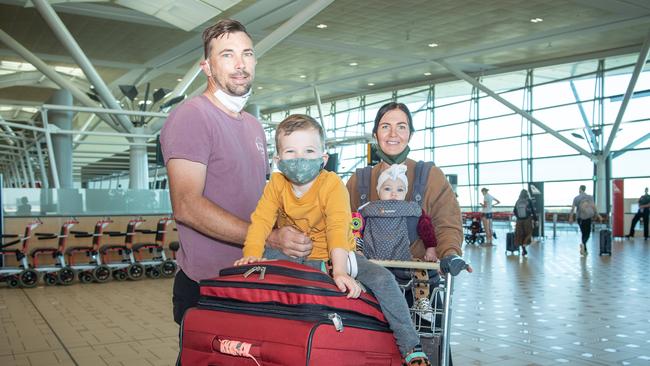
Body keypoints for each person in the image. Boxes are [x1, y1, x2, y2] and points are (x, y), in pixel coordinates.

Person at [237, 114, 432, 366]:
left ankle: (410, 345)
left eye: (309, 150)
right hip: (297, 255)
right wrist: (252, 252)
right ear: (278, 160)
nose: (300, 159)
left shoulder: (331, 184)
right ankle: (316, 272)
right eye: (291, 151)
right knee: (264, 261)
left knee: (383, 279)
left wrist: (340, 270)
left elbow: (338, 228)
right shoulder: (275, 184)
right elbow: (262, 219)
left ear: (323, 158)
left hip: (340, 255)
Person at [160, 19, 313, 330]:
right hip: (209, 286)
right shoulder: (192, 116)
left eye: (247, 54)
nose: (240, 64)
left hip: (251, 277)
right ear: (206, 66)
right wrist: (270, 237)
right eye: (227, 55)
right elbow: (187, 206)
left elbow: (257, 201)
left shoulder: (253, 125)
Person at [345, 102, 470, 275]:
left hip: (420, 280)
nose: (393, 134)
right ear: (375, 134)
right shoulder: (358, 181)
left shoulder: (431, 177)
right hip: (368, 279)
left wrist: (450, 253)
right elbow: (343, 224)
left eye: (401, 127)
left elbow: (447, 223)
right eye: (385, 127)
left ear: (410, 134)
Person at [357, 163, 438, 322]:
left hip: (402, 258)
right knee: (355, 270)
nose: (394, 193)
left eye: (400, 190)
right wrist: (357, 249)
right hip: (371, 259)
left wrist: (431, 247)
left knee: (420, 270)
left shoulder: (412, 209)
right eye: (387, 189)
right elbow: (356, 230)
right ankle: (360, 294)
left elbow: (425, 227)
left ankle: (421, 299)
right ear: (379, 191)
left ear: (406, 192)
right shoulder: (367, 210)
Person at [569, 185, 601, 255]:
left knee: (583, 233)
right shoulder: (590, 197)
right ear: (585, 189)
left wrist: (571, 218)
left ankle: (584, 249)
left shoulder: (576, 198)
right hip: (587, 218)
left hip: (579, 218)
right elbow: (593, 207)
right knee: (587, 234)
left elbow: (572, 209)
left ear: (580, 189)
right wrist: (598, 215)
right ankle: (583, 244)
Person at [513, 189, 537, 256]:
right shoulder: (528, 200)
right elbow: (532, 210)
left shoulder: (518, 201)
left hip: (519, 220)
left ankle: (523, 250)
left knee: (521, 234)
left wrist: (518, 217)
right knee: (529, 233)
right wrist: (535, 219)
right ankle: (524, 243)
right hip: (527, 219)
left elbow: (514, 211)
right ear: (527, 194)